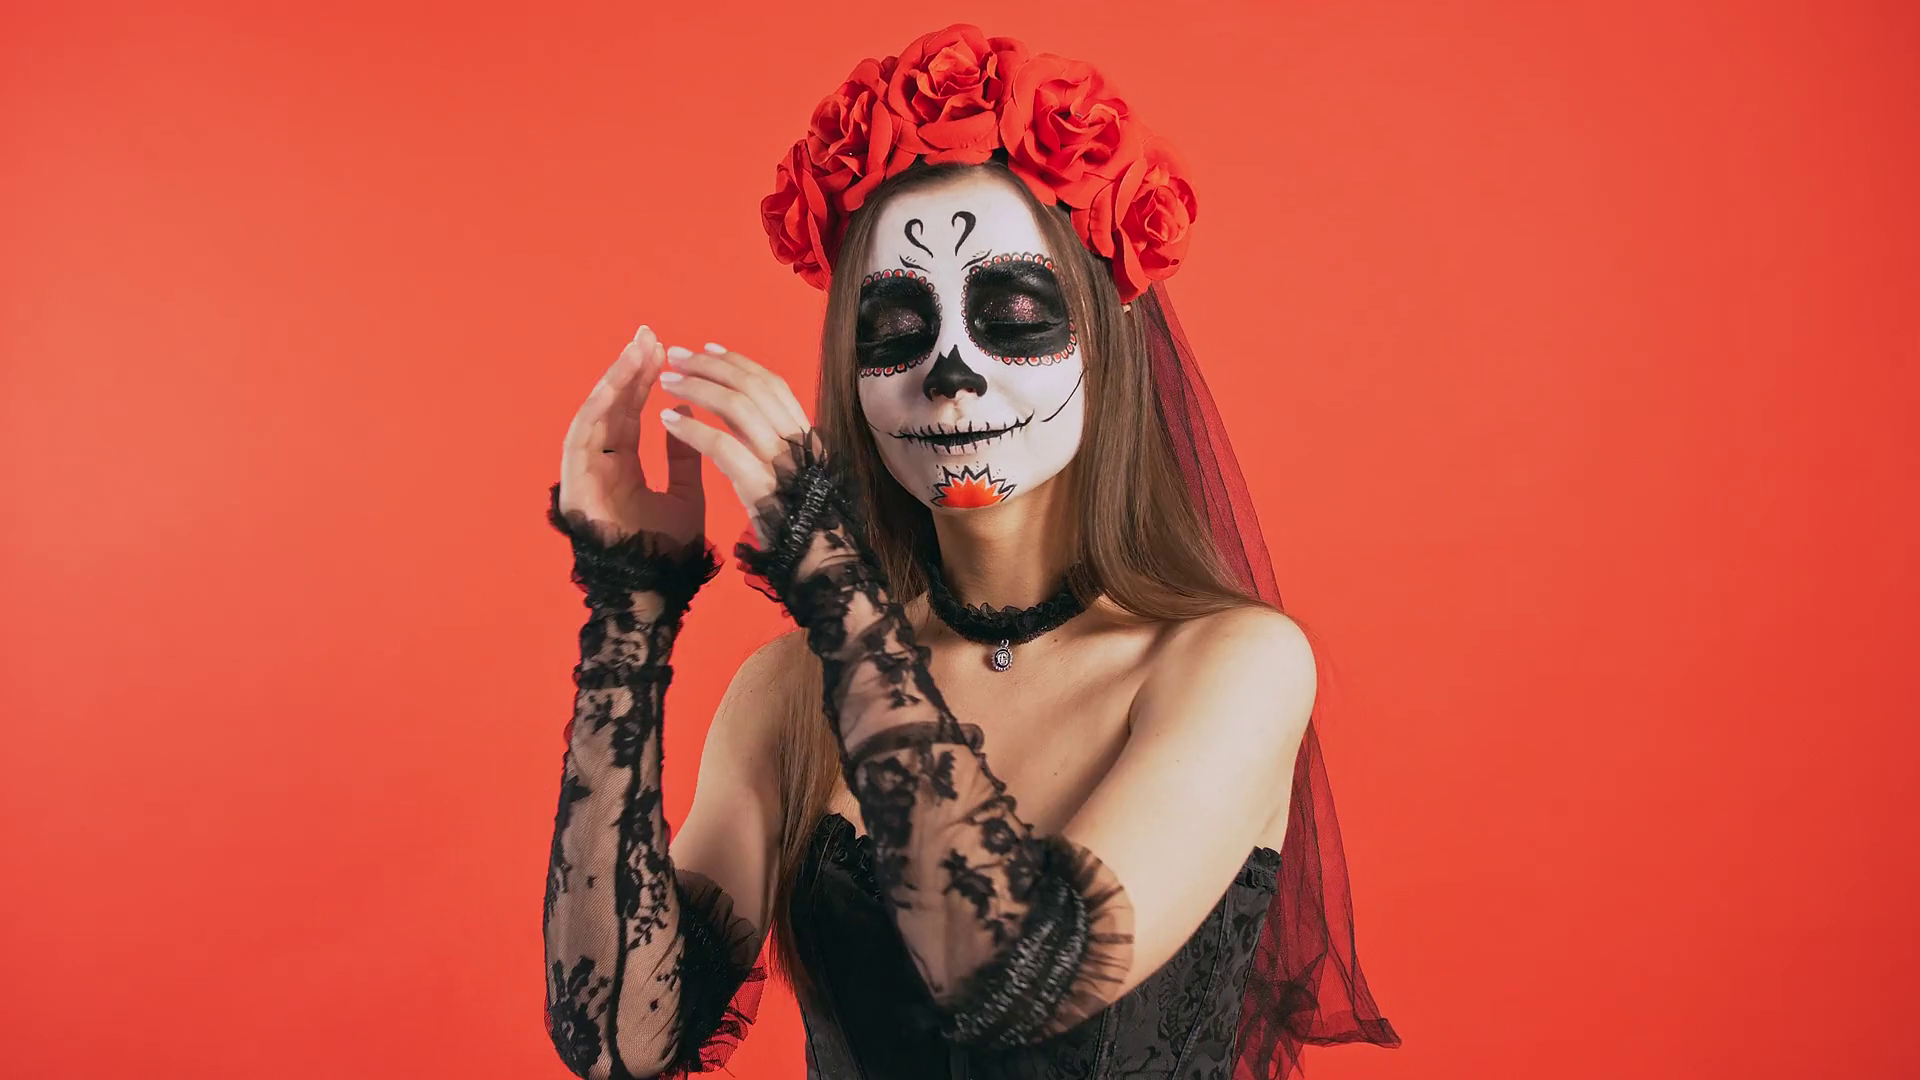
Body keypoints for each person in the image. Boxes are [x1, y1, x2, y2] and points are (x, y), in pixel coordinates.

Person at [542, 23, 1399, 1079]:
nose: (950, 371)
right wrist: (628, 608)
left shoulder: (1233, 664)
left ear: (1106, 338)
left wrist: (832, 577)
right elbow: (617, 1038)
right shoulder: (791, 693)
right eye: (895, 328)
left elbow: (1019, 980)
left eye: (1015, 314)